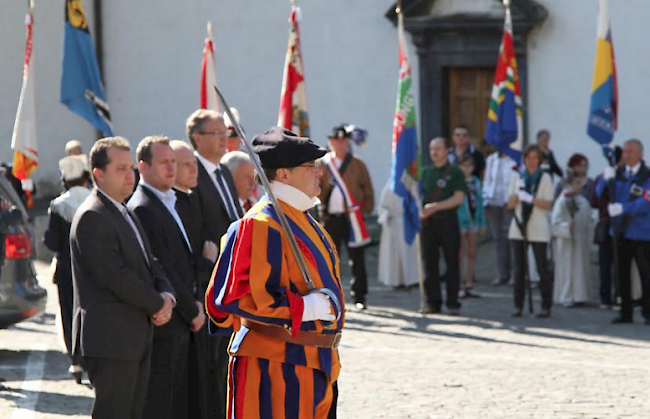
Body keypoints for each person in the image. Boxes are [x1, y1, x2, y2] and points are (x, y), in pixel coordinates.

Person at [205, 126, 344, 419]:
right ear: (283, 174)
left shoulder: (306, 221)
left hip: (318, 364)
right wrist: (305, 307)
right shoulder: (259, 224)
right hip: (276, 367)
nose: (319, 172)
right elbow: (233, 298)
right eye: (311, 166)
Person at [69, 137, 175, 419]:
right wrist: (157, 304)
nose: (130, 175)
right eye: (121, 169)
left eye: (131, 168)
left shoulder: (122, 209)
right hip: (111, 340)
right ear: (98, 174)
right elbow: (115, 276)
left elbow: (149, 262)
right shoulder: (93, 215)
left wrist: (167, 295)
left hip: (134, 335)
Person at [127, 136, 206, 419]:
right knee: (162, 404)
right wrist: (191, 308)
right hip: (168, 322)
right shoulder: (142, 207)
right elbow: (162, 267)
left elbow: (187, 260)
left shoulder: (173, 201)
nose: (171, 168)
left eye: (173, 161)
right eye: (164, 162)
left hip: (185, 319)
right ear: (143, 167)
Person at [186, 109, 243, 419]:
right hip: (210, 280)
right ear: (198, 138)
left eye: (226, 133)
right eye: (217, 133)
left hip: (234, 280)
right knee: (212, 368)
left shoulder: (223, 172)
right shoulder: (192, 173)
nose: (225, 138)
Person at [169, 139, 219, 419]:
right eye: (186, 164)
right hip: (184, 311)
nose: (194, 169)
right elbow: (179, 261)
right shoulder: (171, 203)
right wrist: (206, 262)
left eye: (193, 163)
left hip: (200, 303)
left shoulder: (189, 199)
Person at [43, 155, 91, 384]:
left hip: (66, 268)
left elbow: (51, 242)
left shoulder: (58, 205)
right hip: (93, 268)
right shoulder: (95, 200)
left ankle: (76, 360)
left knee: (69, 312)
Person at [317, 124, 374, 310]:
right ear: (330, 142)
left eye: (343, 141)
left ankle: (359, 296)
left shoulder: (358, 164)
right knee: (329, 258)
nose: (340, 144)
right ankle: (330, 295)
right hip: (330, 218)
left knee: (357, 258)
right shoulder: (323, 164)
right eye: (336, 141)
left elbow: (368, 190)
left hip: (352, 219)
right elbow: (315, 189)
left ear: (348, 142)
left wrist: (362, 211)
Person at [597, 139, 650, 325]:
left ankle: (648, 312)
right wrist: (605, 180)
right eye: (625, 151)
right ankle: (625, 312)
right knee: (622, 274)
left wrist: (623, 208)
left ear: (641, 154)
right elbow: (599, 194)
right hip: (620, 232)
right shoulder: (618, 173)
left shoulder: (647, 175)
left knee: (646, 275)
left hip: (643, 233)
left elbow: (644, 203)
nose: (626, 155)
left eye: (631, 151)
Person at [420, 137, 466, 314]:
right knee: (430, 263)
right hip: (429, 224)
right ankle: (433, 302)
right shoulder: (425, 172)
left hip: (447, 221)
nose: (434, 152)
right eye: (432, 148)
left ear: (447, 150)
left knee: (452, 262)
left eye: (438, 148)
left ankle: (453, 302)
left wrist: (436, 207)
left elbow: (458, 198)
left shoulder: (454, 172)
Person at [507, 145, 554, 318]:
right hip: (519, 225)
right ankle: (517, 305)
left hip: (538, 225)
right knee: (519, 268)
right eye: (528, 158)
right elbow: (510, 205)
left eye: (535, 158)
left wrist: (531, 199)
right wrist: (517, 194)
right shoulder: (517, 176)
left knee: (542, 267)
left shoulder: (545, 178)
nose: (531, 161)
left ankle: (545, 305)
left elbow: (548, 204)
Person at [551, 169, 592, 307]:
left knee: (580, 267)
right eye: (577, 183)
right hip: (567, 241)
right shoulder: (563, 200)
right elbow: (555, 222)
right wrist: (567, 226)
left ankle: (580, 295)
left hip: (580, 240)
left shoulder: (583, 201)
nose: (580, 186)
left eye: (581, 183)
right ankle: (566, 295)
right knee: (567, 268)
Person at [589, 146, 623, 308]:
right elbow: (595, 199)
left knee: (620, 264)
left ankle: (620, 296)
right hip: (606, 223)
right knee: (605, 264)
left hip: (623, 225)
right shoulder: (604, 176)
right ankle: (605, 298)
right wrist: (605, 180)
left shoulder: (627, 176)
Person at [377, 181, 419, 290]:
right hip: (393, 224)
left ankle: (411, 279)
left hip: (408, 223)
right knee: (393, 254)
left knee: (409, 252)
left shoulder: (412, 186)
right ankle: (395, 280)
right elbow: (382, 207)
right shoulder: (389, 187)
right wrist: (387, 215)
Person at [483, 150, 516, 285]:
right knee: (498, 239)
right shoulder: (491, 159)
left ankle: (515, 275)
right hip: (493, 202)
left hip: (509, 202)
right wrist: (485, 200)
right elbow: (487, 180)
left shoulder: (514, 158)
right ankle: (501, 273)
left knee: (512, 239)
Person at [457, 154, 487, 298]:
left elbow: (480, 203)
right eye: (463, 165)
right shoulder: (457, 181)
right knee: (460, 254)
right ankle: (460, 284)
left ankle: (469, 283)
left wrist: (482, 222)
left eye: (469, 165)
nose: (466, 168)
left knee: (472, 253)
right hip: (461, 221)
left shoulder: (476, 182)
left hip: (474, 220)